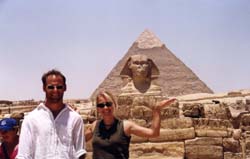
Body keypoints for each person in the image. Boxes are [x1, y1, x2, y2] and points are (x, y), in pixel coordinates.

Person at [16, 69, 86, 159]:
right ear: (44, 88)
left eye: (59, 87)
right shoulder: (31, 119)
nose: (55, 90)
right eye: (51, 87)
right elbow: (23, 155)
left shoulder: (75, 118)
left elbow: (80, 152)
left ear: (65, 88)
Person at [85, 90, 176, 159]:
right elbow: (77, 140)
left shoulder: (126, 126)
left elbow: (154, 133)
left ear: (114, 105)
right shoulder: (94, 126)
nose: (105, 108)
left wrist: (157, 110)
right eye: (101, 105)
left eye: (108, 104)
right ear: (97, 108)